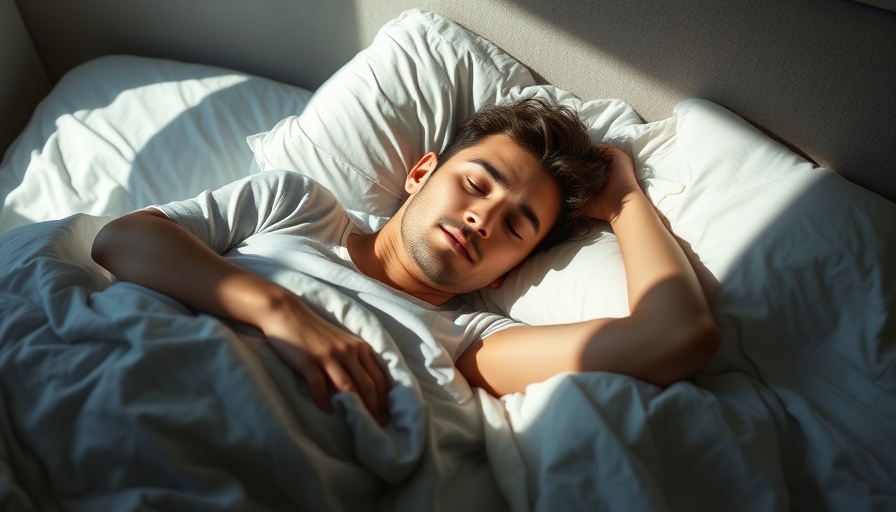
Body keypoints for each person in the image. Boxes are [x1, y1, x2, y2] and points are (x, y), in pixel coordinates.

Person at [91, 98, 719, 425]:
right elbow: (122, 240)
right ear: (421, 174)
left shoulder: (469, 343)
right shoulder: (294, 205)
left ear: (507, 271)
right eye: (477, 184)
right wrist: (277, 310)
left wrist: (627, 201)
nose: (483, 218)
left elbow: (674, 337)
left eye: (516, 225)